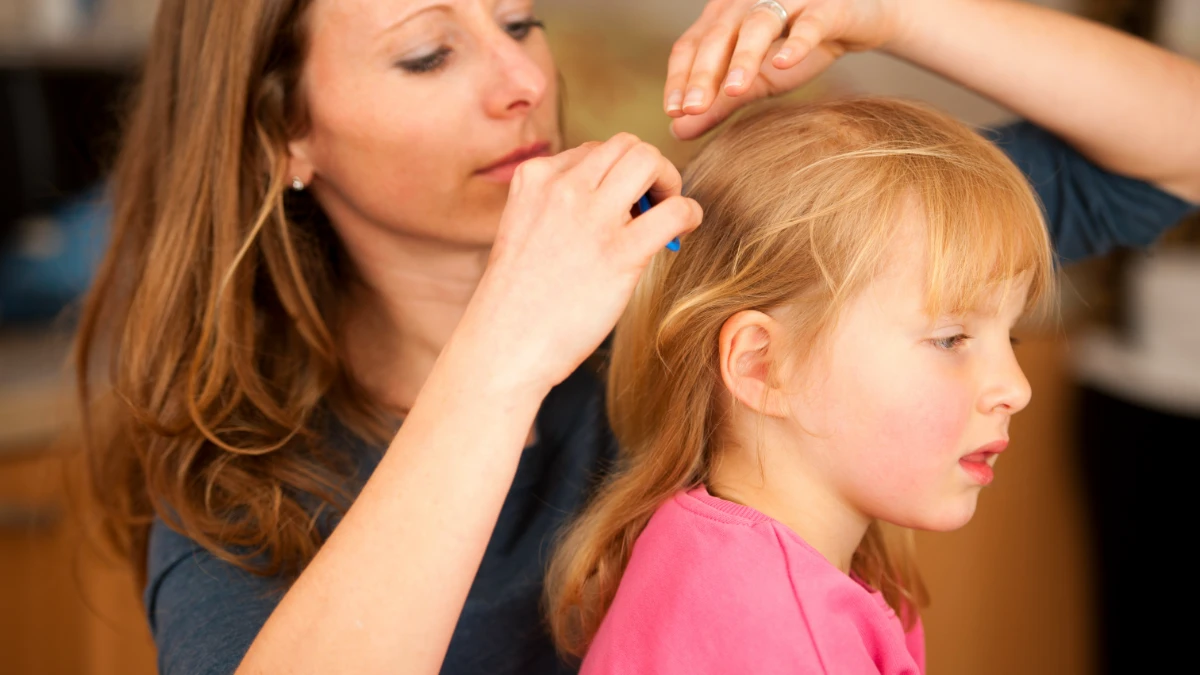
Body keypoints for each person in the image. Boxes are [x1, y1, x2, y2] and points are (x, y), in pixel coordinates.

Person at [72, 1, 1196, 674]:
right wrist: (503, 356)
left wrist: (890, 11)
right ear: (285, 132)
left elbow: (1177, 152)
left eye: (520, 22)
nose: (523, 81)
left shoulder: (689, 284)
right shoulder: (243, 477)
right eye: (428, 55)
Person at [546, 96, 1057, 674]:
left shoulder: (700, 552)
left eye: (1011, 337)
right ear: (763, 366)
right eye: (950, 339)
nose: (1016, 389)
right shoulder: (782, 637)